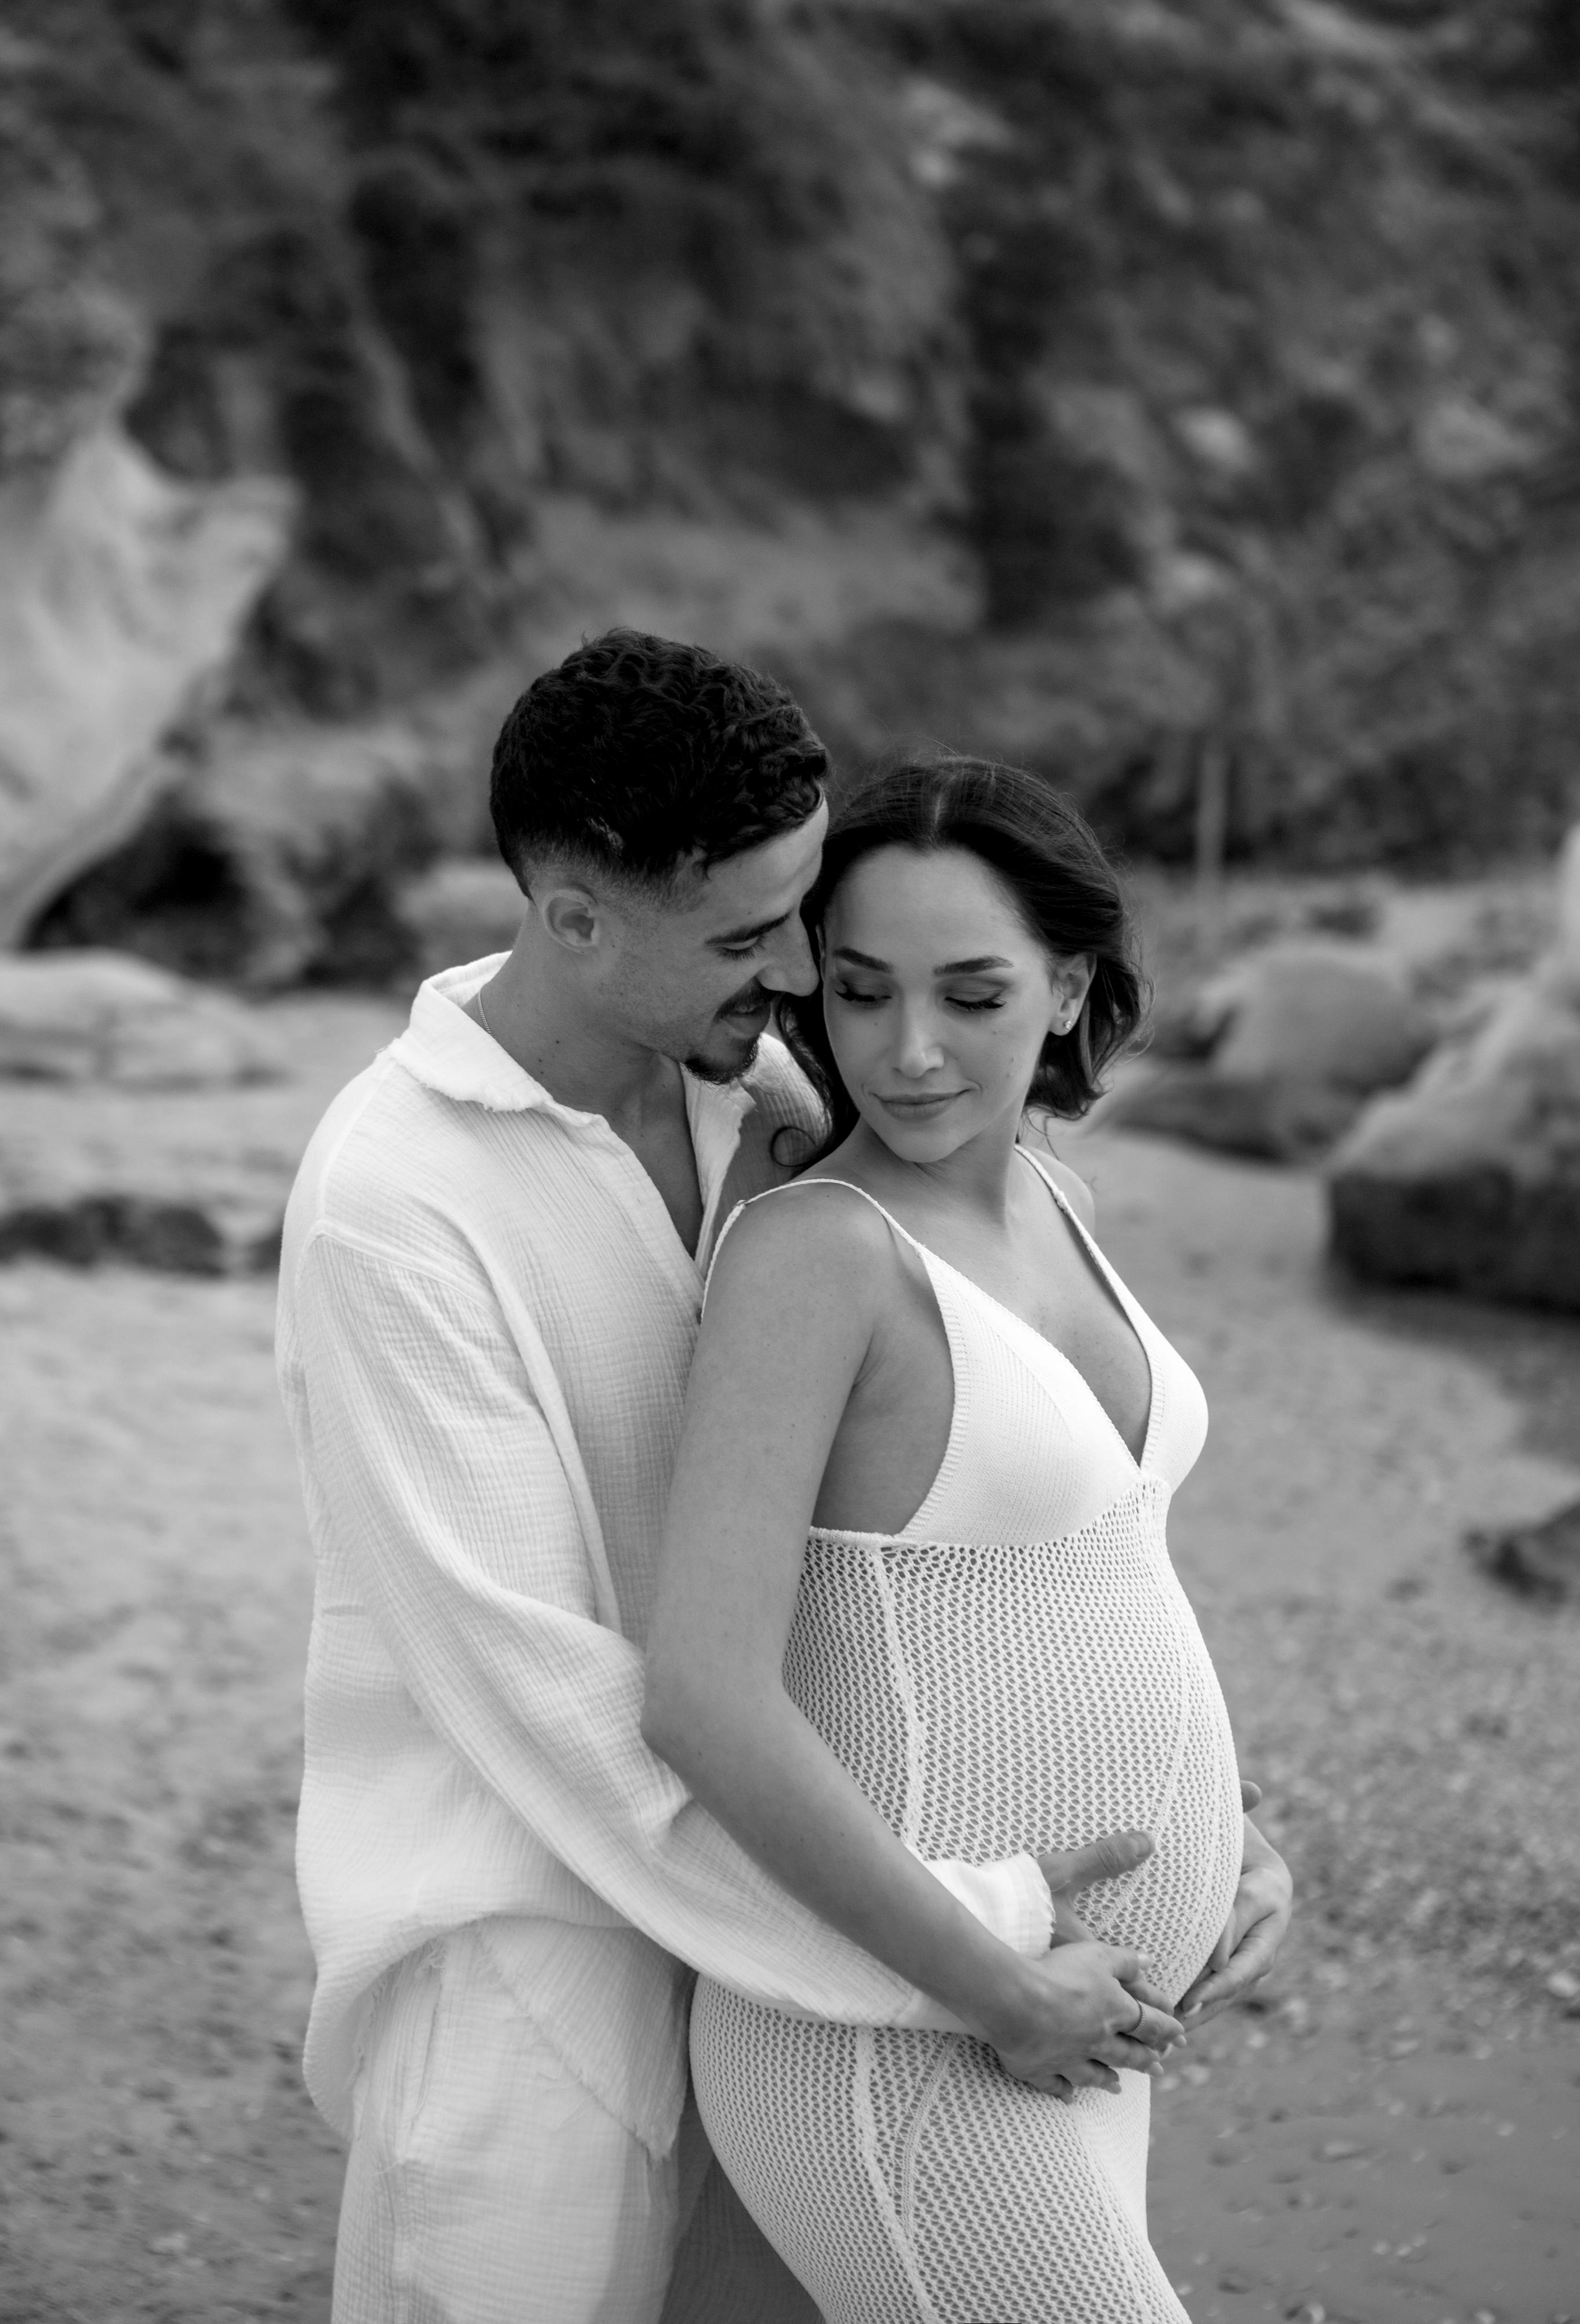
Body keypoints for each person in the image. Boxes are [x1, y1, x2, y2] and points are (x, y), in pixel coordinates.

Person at [276, 633, 1188, 2324]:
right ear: (572, 921)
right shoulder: (392, 1211)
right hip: (533, 1968)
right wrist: (957, 1950)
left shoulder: (749, 1094)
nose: (793, 971)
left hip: (793, 1916)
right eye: (747, 934)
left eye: (800, 917)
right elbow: (542, 1699)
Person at [643, 755, 1296, 2322]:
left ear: (1070, 987)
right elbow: (703, 1696)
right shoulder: (814, 1257)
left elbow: (1096, 1566)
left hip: (1078, 2025)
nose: (909, 1053)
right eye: (859, 993)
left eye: (972, 995)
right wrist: (996, 1986)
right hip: (912, 2032)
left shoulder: (1049, 1197)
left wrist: (1236, 1834)